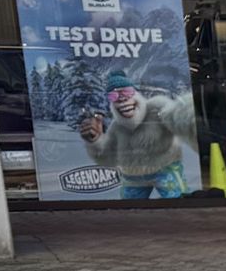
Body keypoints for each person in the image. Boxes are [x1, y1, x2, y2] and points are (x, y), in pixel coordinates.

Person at [77, 69, 192, 199]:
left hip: (165, 169)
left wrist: (187, 115)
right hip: (133, 176)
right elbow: (108, 158)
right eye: (113, 96)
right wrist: (95, 141)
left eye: (127, 92)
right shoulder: (116, 127)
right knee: (128, 209)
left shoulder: (157, 107)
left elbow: (177, 118)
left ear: (136, 93)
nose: (122, 99)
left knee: (178, 201)